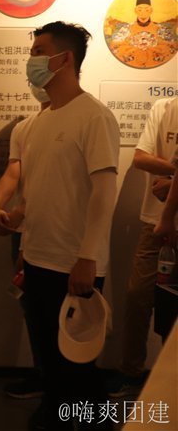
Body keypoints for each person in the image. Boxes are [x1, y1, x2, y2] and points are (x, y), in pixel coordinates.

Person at [17, 21, 120, 431]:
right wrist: (21, 234)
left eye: (39, 51)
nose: (31, 60)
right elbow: (40, 190)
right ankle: (55, 417)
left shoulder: (94, 116)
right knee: (49, 358)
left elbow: (105, 191)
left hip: (74, 264)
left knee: (77, 365)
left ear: (65, 59)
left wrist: (88, 258)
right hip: (38, 258)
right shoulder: (39, 122)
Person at [0, 82, 51, 400]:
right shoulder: (25, 128)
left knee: (61, 311)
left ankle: (63, 386)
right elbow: (14, 172)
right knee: (32, 305)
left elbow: (57, 184)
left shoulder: (85, 119)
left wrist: (20, 213)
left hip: (56, 234)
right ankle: (45, 375)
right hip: (24, 230)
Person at [115, 96, 177, 396]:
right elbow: (140, 158)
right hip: (154, 222)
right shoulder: (164, 107)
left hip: (164, 220)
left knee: (172, 306)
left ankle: (170, 379)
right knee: (137, 295)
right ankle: (131, 372)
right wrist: (176, 173)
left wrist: (171, 181)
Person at [107, 0, 178, 68]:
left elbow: (172, 46)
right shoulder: (127, 28)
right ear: (135, 11)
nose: (143, 13)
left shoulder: (160, 28)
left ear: (151, 11)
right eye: (140, 10)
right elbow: (115, 46)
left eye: (147, 10)